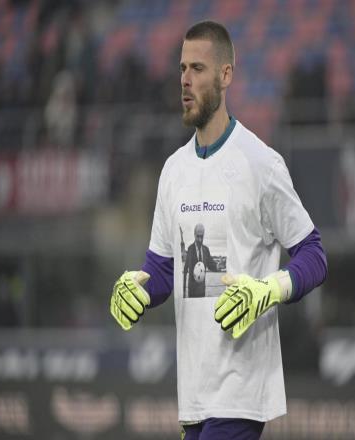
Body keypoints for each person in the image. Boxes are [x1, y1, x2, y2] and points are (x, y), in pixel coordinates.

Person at [109, 20, 327, 440]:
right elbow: (163, 270)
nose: (185, 80)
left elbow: (314, 254)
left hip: (241, 392)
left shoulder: (261, 164)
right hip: (193, 394)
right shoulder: (173, 170)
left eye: (197, 68)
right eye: (181, 69)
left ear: (226, 75)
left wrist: (268, 290)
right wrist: (139, 290)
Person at [183, 223, 218, 298]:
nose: (200, 239)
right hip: (192, 291)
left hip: (202, 290)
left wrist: (218, 266)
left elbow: (211, 265)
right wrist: (183, 291)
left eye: (201, 236)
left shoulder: (206, 250)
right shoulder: (190, 249)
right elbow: (185, 270)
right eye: (198, 236)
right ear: (194, 235)